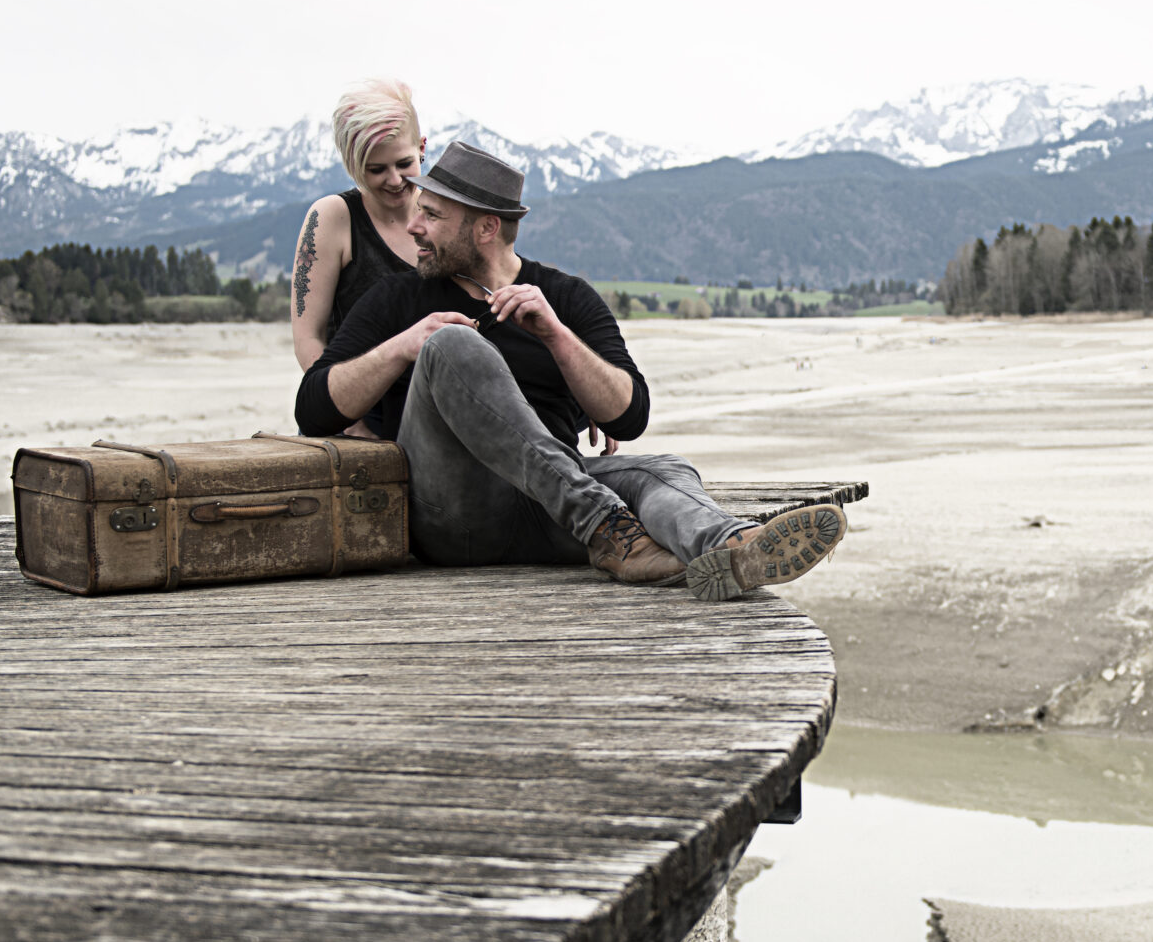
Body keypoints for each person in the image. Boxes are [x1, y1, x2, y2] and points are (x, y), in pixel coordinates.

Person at [294, 138, 844, 600]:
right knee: (452, 346)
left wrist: (558, 338)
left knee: (663, 471)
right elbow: (313, 408)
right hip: (454, 516)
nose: (412, 226)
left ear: (485, 228)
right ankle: (607, 526)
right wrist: (403, 348)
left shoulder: (564, 297)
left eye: (432, 215)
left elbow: (630, 415)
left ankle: (733, 549)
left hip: (550, 512)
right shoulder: (397, 300)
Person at [290, 79, 426, 373]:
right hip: (353, 404)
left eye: (404, 163)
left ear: (422, 147)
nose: (394, 180)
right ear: (352, 165)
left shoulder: (448, 215)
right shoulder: (332, 218)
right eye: (376, 169)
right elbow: (308, 339)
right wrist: (343, 413)